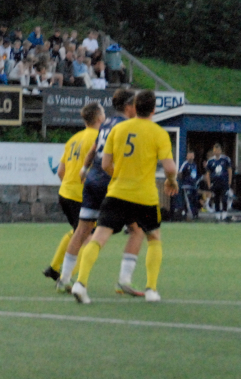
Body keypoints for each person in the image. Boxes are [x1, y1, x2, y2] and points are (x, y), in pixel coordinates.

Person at [72, 90, 179, 304]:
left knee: (98, 237)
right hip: (145, 197)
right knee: (153, 238)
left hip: (117, 193)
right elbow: (169, 168)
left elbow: (105, 164)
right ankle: (151, 289)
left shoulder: (118, 129)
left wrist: (120, 176)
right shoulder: (159, 133)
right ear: (154, 110)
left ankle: (80, 283)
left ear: (135, 107)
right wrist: (171, 181)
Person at [55, 89, 142, 295]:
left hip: (92, 181)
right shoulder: (128, 127)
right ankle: (124, 281)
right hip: (111, 183)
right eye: (135, 104)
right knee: (137, 230)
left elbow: (94, 149)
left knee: (81, 231)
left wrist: (84, 169)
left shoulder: (107, 123)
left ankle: (64, 279)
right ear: (129, 106)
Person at [43, 102, 103, 286]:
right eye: (103, 114)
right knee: (90, 238)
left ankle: (54, 268)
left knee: (77, 232)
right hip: (81, 196)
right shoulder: (99, 138)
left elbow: (61, 171)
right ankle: (65, 279)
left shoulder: (74, 138)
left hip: (66, 193)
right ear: (99, 117)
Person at [206, 143, 233, 221]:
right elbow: (208, 173)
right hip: (215, 183)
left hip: (224, 183)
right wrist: (209, 184)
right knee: (216, 199)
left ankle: (224, 214)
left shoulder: (226, 159)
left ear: (221, 151)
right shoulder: (210, 161)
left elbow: (229, 170)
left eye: (218, 150)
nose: (217, 152)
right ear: (213, 151)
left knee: (224, 199)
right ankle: (217, 215)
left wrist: (229, 182)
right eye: (215, 150)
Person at [175, 149, 199, 220]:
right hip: (187, 186)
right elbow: (180, 173)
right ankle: (191, 215)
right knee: (189, 200)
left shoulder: (194, 165)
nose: (191, 157)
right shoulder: (185, 164)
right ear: (187, 157)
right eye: (189, 156)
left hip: (193, 186)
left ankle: (195, 214)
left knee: (194, 200)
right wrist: (182, 180)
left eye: (192, 156)